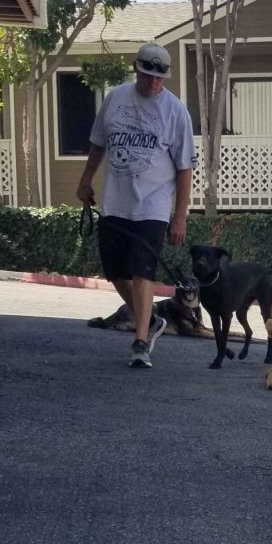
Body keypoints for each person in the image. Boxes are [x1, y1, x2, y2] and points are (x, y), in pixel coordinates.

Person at [76, 42, 197, 368]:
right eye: (147, 76)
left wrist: (179, 217)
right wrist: (86, 178)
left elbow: (185, 168)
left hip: (153, 207)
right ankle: (153, 318)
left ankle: (141, 341)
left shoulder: (175, 112)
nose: (153, 84)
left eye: (160, 79)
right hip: (116, 202)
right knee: (116, 271)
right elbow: (98, 143)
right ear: (136, 68)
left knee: (143, 271)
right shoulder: (115, 99)